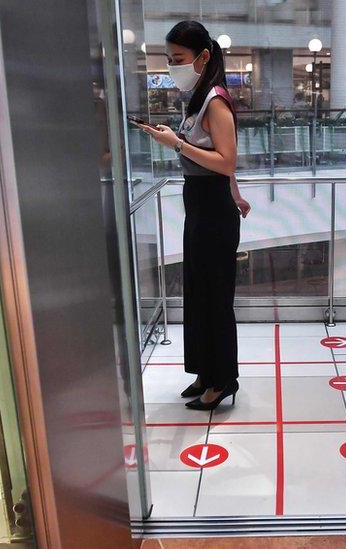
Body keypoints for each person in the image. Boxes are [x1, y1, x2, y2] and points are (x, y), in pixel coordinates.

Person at [139, 20, 250, 411]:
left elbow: (226, 160)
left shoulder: (216, 100)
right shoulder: (199, 97)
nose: (172, 66)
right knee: (199, 293)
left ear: (203, 57)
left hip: (212, 210)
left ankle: (222, 381)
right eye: (169, 59)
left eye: (178, 59)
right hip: (202, 204)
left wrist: (177, 145)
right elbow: (220, 162)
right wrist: (176, 141)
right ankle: (205, 371)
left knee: (215, 296)